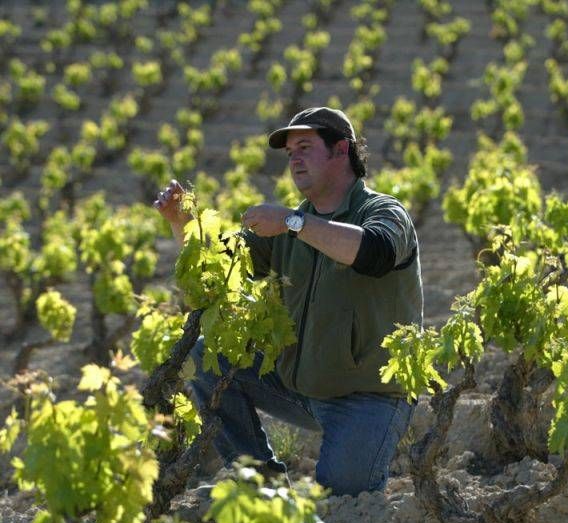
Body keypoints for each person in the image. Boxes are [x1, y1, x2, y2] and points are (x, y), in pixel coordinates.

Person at [154, 107, 423, 497]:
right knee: (205, 354)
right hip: (299, 388)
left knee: (342, 506)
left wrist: (293, 224)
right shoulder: (289, 226)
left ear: (341, 150)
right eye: (290, 152)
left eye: (305, 147)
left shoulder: (383, 212)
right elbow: (219, 266)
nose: (294, 159)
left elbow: (375, 252)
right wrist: (180, 222)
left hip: (367, 399)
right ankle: (261, 484)